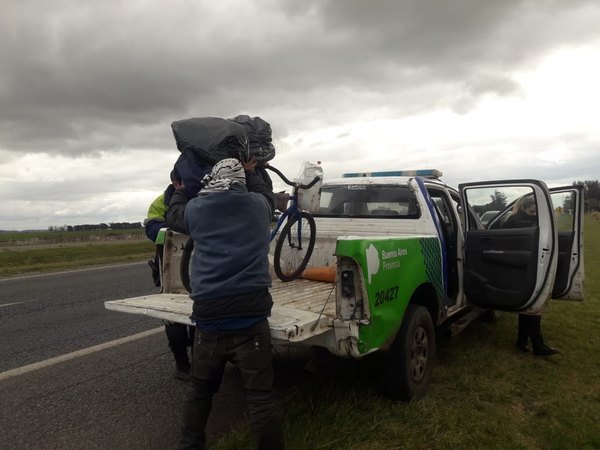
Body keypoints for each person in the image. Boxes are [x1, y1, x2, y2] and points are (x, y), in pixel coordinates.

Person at [179, 158, 284, 450]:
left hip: (209, 317)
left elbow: (175, 213)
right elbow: (266, 193)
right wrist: (252, 172)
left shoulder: (196, 210)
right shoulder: (258, 207)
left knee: (199, 392)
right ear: (242, 180)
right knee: (261, 396)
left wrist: (178, 189)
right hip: (251, 315)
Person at [144, 169, 196, 380]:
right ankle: (182, 365)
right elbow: (152, 230)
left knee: (198, 317)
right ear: (175, 182)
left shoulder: (199, 196)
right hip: (170, 267)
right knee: (173, 318)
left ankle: (199, 360)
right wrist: (175, 228)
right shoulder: (161, 202)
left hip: (197, 265)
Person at [503, 195, 559, 356]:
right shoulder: (517, 222)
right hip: (523, 267)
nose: (533, 214)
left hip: (525, 266)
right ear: (523, 209)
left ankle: (522, 341)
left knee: (529, 305)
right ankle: (538, 345)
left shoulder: (515, 220)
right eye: (531, 211)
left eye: (536, 211)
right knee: (534, 304)